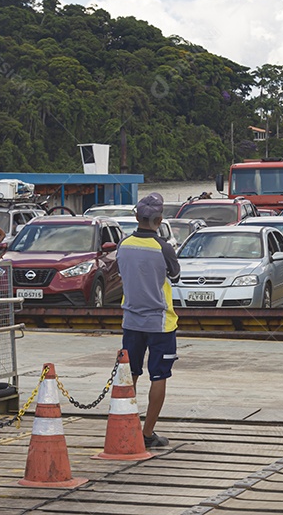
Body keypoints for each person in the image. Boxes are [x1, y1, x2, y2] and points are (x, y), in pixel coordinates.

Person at [117, 192, 180, 450]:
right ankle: (147, 432)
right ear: (159, 219)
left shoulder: (124, 245)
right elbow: (174, 275)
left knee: (130, 373)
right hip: (160, 322)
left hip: (131, 320)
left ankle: (124, 425)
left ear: (136, 217)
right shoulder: (164, 248)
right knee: (159, 375)